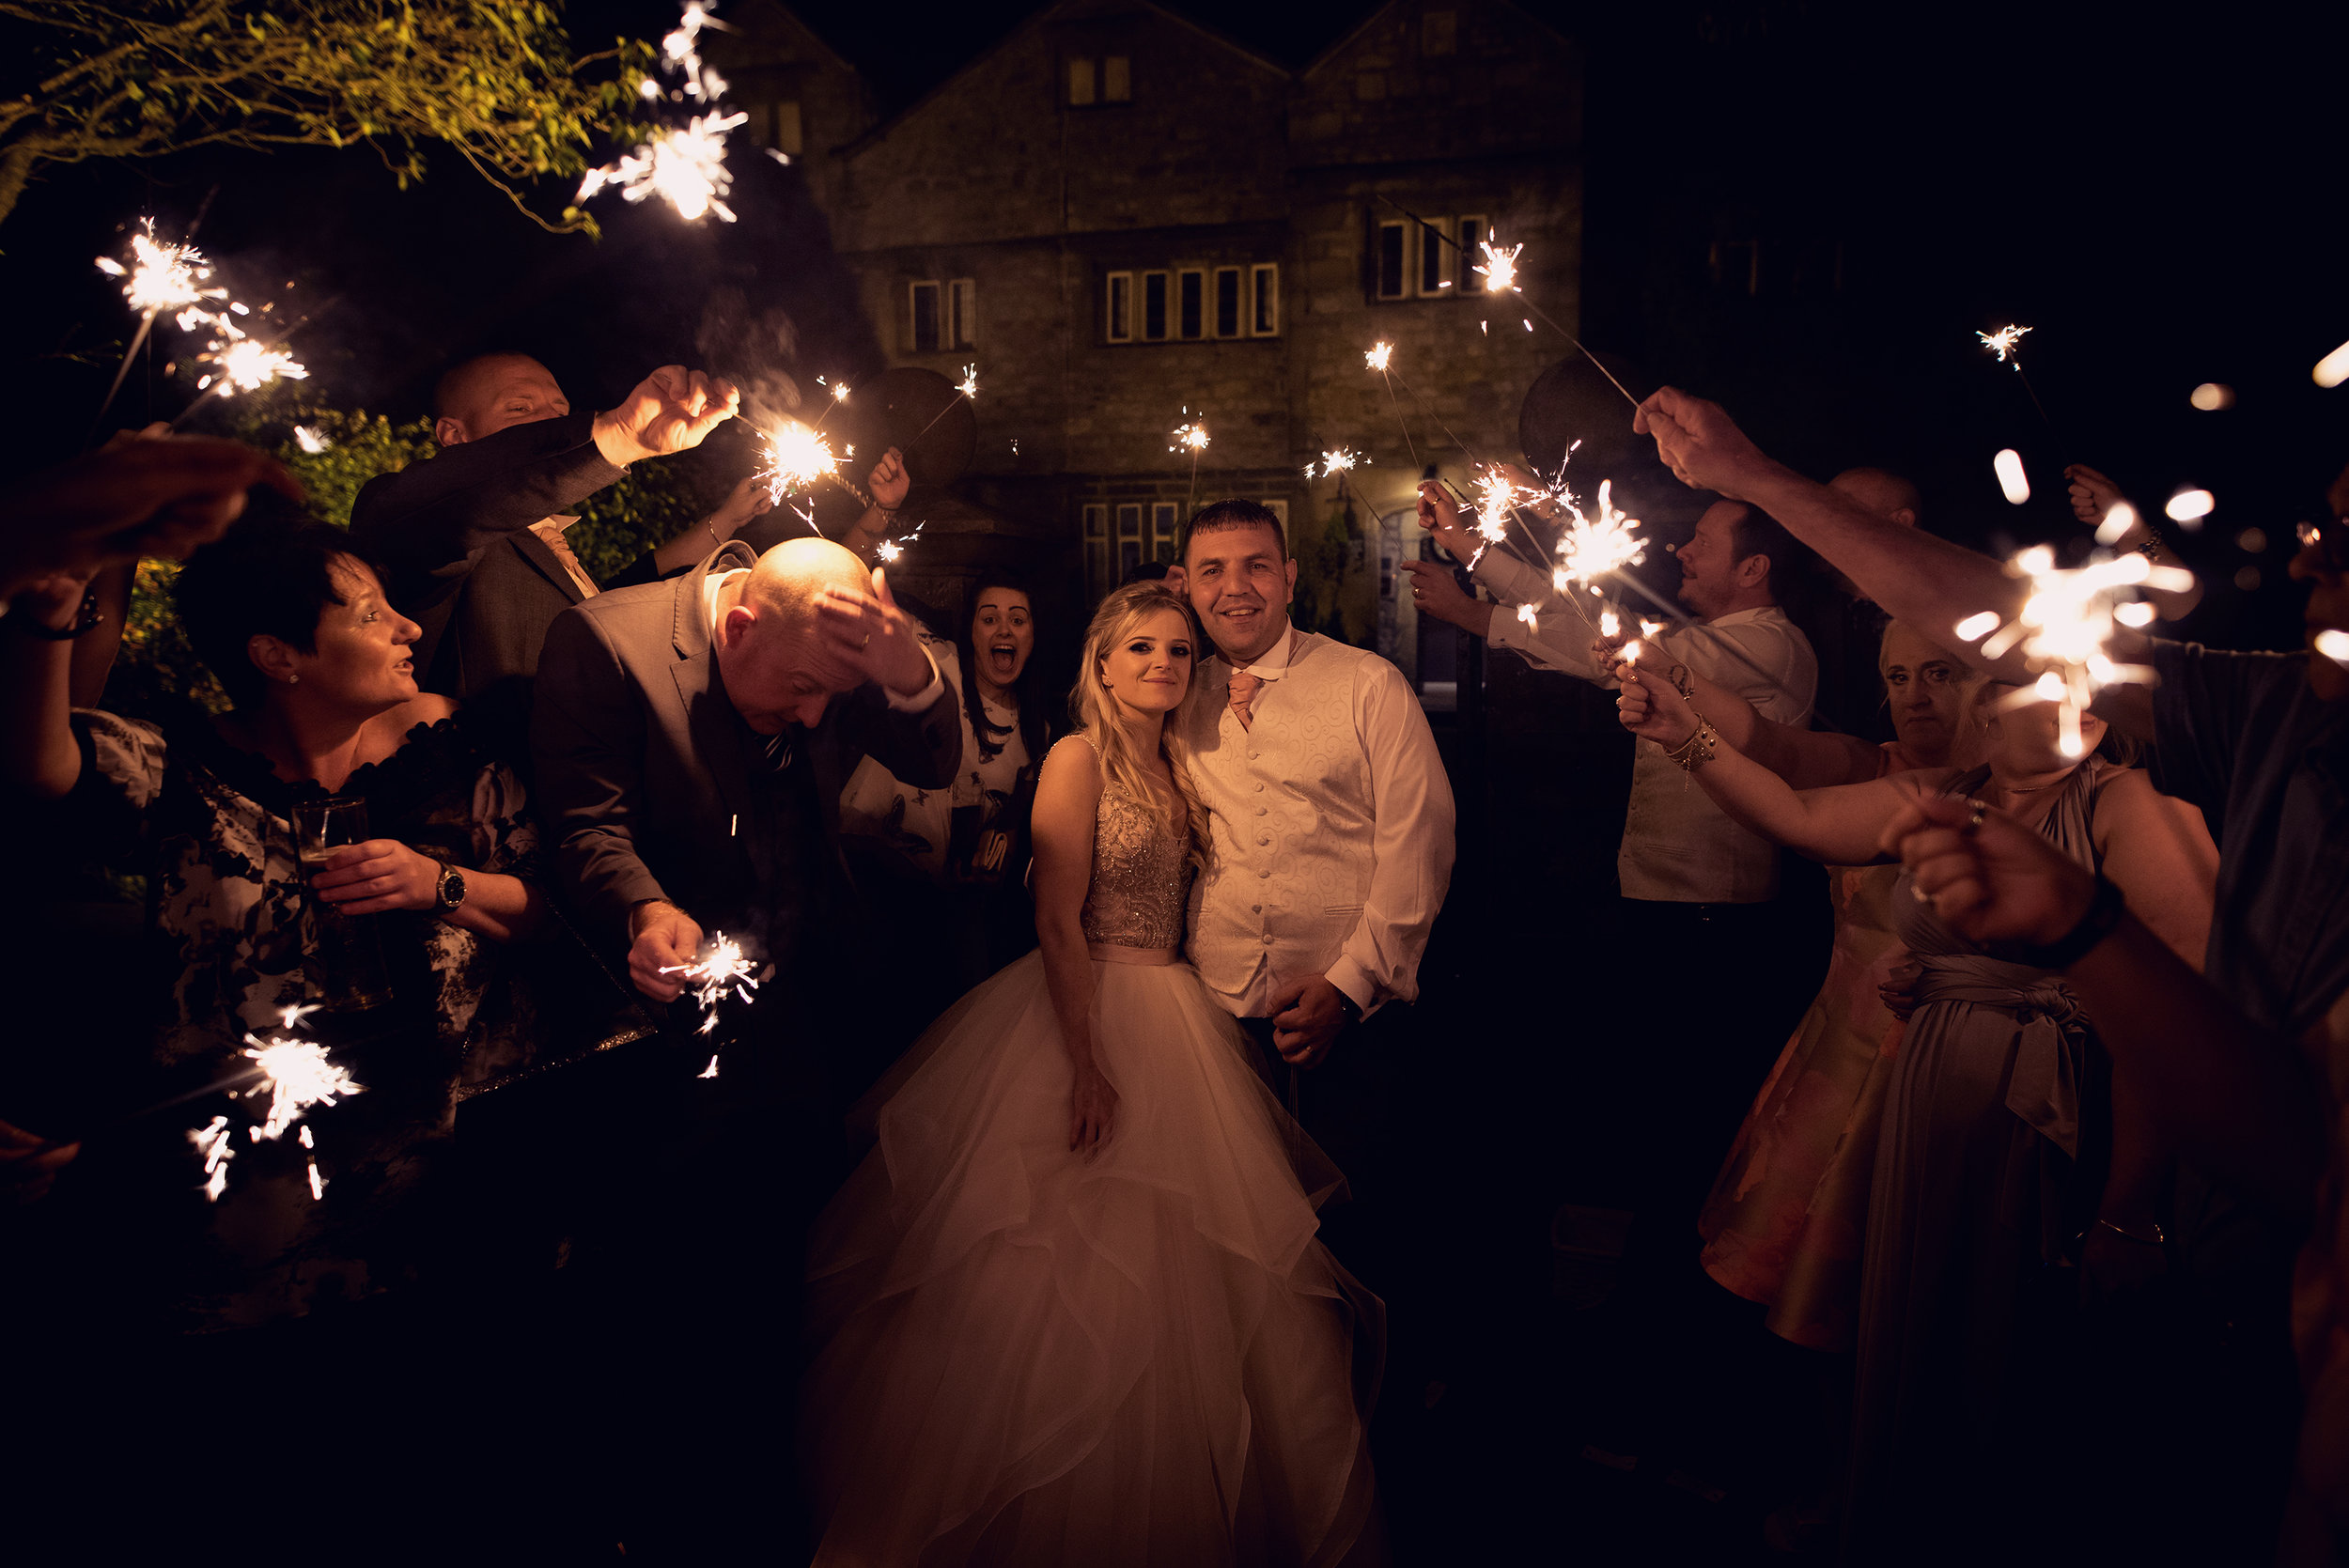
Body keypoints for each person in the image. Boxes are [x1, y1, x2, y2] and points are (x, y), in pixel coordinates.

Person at [1631, 384, 2329, 1554]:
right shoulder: (1974, 789)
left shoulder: (2137, 799)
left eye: (2342, 538)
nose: (2311, 559)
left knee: (2019, 1394)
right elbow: (1811, 791)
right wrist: (1686, 700)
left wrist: (2126, 1207)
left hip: (2060, 1148)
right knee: (1906, 1353)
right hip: (1936, 1118)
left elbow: (2240, 1078)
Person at [801, 582, 1379, 1565]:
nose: (1164, 661)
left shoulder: (1185, 762)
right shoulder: (1076, 757)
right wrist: (1086, 1064)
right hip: (1086, 1010)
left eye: (1179, 650)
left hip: (1180, 1010)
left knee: (1210, 1285)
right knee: (1051, 1273)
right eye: (1143, 647)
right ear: (1102, 663)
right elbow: (1053, 918)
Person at [1619, 655, 2215, 1556]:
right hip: (1930, 1099)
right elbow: (1802, 817)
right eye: (2004, 666)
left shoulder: (2128, 806)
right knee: (1917, 1336)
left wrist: (2129, 1213)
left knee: (2010, 1353)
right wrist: (1682, 734)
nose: (2023, 677)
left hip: (2048, 1114)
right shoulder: (1953, 791)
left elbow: (2180, 1022)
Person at [2, 501, 552, 1326]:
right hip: (245, 1227)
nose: (407, 628)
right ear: (277, 656)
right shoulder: (188, 772)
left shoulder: (448, 757)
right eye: (371, 615)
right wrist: (49, 619)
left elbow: (556, 913)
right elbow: (42, 767)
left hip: (454, 1209)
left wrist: (439, 883)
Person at [1657, 622, 1983, 1353]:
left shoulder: (2030, 800)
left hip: (1948, 1073)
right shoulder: (1873, 768)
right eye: (1898, 679)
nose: (1916, 698)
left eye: (1940, 673)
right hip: (1839, 1051)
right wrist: (1667, 674)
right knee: (1807, 1312)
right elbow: (1770, 747)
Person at [1167, 499, 1455, 1308]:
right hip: (1214, 1027)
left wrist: (1351, 983)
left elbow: (1420, 842)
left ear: (1288, 575)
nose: (1237, 588)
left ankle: (1368, 1417)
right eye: (1214, 571)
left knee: (1356, 1246)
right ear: (1185, 585)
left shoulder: (1368, 683)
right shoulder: (1171, 692)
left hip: (1350, 1031)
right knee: (1233, 1254)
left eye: (1257, 564)